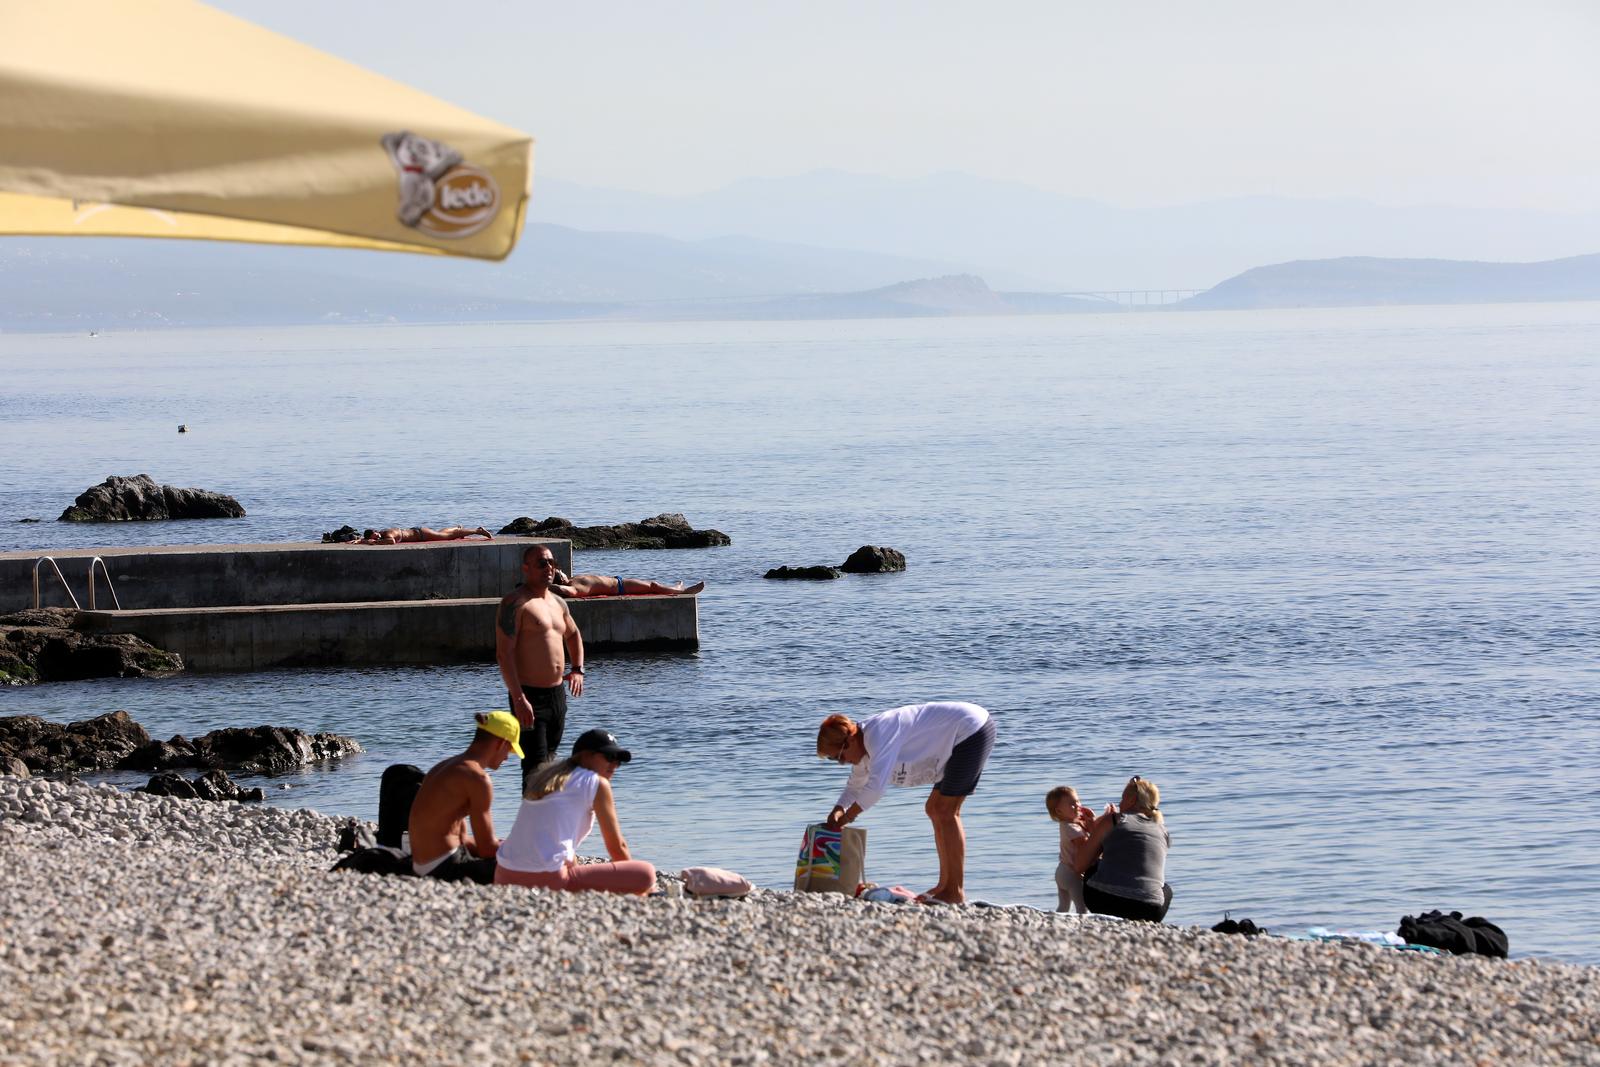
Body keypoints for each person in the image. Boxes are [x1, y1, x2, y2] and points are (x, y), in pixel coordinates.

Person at [817, 701, 996, 905]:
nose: (842, 763)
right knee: (934, 808)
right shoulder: (863, 746)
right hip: (955, 737)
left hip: (970, 729)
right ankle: (944, 886)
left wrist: (848, 817)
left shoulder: (878, 735)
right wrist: (838, 809)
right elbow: (855, 786)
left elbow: (875, 788)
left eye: (839, 758)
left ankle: (954, 891)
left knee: (946, 811)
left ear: (849, 741)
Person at [493, 728, 656, 895]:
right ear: (585, 756)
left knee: (570, 861)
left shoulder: (547, 779)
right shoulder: (596, 783)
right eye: (609, 757)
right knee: (646, 873)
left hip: (503, 875)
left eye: (618, 761)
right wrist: (631, 881)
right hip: (548, 879)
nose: (614, 765)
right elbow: (617, 847)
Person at [496, 544, 585, 789]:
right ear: (526, 568)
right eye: (541, 563)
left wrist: (577, 669)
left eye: (551, 563)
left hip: (557, 695)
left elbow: (574, 635)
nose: (548, 568)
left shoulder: (558, 603)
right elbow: (504, 654)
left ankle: (544, 822)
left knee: (549, 765)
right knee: (534, 768)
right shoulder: (515, 603)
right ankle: (530, 823)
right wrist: (518, 698)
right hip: (528, 696)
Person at [407, 710, 521, 884]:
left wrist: (503, 844)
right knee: (528, 867)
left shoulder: (444, 766)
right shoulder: (478, 779)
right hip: (444, 868)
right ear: (501, 743)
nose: (507, 757)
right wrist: (523, 848)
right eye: (510, 750)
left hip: (422, 864)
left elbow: (462, 839)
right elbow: (487, 850)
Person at [1076, 775, 1172, 922]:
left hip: (1105, 901)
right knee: (1165, 889)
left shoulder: (1114, 819)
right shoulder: (1163, 831)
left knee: (1093, 869)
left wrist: (1096, 828)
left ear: (1132, 800)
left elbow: (1080, 865)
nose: (1120, 804)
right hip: (1151, 911)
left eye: (1122, 799)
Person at [1046, 784, 1095, 914]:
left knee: (1064, 907)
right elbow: (1085, 846)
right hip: (1071, 874)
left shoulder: (1070, 824)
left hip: (1062, 871)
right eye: (1072, 804)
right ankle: (1083, 928)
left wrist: (1088, 822)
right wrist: (1093, 829)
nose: (1078, 806)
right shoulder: (1071, 828)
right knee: (1082, 908)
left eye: (1078, 801)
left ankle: (1053, 922)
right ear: (1059, 811)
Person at [551, 569, 704, 598]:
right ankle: (682, 591)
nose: (562, 570)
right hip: (620, 587)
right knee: (653, 586)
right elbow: (563, 590)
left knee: (653, 585)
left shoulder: (573, 580)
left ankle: (676, 588)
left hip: (618, 581)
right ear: (561, 578)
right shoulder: (574, 588)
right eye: (560, 572)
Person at [357, 525, 492, 544]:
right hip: (420, 532)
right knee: (443, 533)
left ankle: (477, 531)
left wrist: (371, 542)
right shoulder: (382, 534)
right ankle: (457, 528)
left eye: (375, 535)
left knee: (448, 536)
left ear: (376, 532)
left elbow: (391, 542)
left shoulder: (386, 533)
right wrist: (361, 540)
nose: (376, 537)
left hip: (421, 534)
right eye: (374, 538)